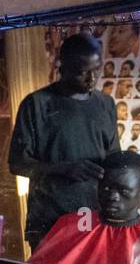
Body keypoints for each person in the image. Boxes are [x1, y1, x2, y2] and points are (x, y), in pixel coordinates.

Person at [7, 33, 118, 249]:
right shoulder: (37, 104)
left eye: (97, 70)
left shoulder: (106, 104)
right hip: (49, 216)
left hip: (93, 213)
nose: (92, 79)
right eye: (82, 73)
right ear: (62, 67)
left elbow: (113, 156)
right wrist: (63, 169)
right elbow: (16, 164)